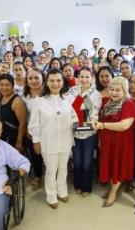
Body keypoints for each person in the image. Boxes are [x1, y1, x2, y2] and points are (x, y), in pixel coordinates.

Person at [28, 69, 77, 209]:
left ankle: (62, 191)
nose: (56, 83)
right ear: (47, 82)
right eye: (52, 80)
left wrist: (75, 123)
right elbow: (33, 123)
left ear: (63, 82)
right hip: (48, 142)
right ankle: (51, 195)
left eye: (59, 80)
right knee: (51, 169)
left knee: (63, 168)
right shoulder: (39, 101)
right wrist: (36, 141)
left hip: (65, 140)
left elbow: (74, 115)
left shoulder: (67, 99)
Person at [92, 76, 135, 208]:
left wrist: (102, 125)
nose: (113, 92)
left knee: (117, 167)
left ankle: (113, 192)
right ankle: (111, 189)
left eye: (118, 90)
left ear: (125, 90)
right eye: (111, 89)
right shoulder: (107, 101)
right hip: (108, 141)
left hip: (121, 143)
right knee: (110, 165)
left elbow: (124, 125)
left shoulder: (129, 104)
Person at [68, 67, 102, 197]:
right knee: (77, 161)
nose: (84, 79)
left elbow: (94, 112)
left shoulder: (96, 94)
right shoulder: (72, 91)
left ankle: (86, 187)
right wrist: (73, 122)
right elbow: (68, 108)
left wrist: (88, 122)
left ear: (92, 78)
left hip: (89, 134)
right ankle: (77, 184)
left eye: (87, 77)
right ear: (78, 77)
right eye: (82, 76)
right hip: (74, 132)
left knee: (87, 162)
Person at [23, 68, 45, 190]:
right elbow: (25, 116)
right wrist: (27, 131)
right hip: (32, 131)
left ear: (42, 78)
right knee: (35, 155)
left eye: (36, 77)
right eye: (30, 78)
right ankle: (37, 176)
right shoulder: (25, 96)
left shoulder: (48, 93)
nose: (33, 80)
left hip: (47, 131)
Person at [0, 74, 26, 153]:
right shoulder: (1, 97)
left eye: (7, 85)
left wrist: (19, 142)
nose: (4, 87)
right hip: (1, 137)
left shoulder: (17, 101)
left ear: (12, 85)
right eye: (1, 85)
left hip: (13, 139)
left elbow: (23, 123)